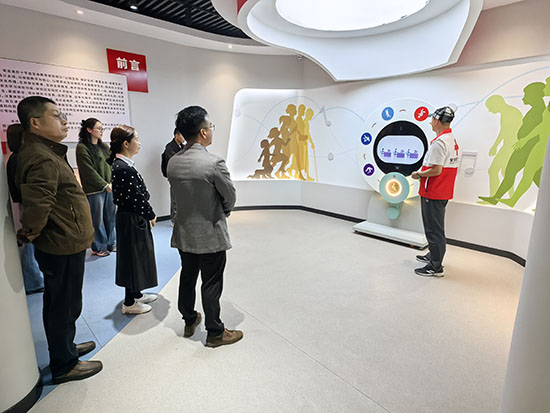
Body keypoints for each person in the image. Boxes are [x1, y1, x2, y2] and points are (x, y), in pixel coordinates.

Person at [15, 96, 102, 383]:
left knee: (66, 302)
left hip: (66, 241)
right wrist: (30, 232)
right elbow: (38, 203)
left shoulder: (45, 151)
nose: (65, 121)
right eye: (56, 115)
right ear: (35, 123)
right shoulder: (40, 156)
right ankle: (64, 365)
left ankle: (67, 348)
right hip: (61, 244)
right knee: (62, 304)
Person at [168, 106, 243, 348]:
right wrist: (224, 211)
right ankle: (215, 332)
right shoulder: (213, 163)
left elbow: (176, 198)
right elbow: (230, 196)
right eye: (210, 126)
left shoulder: (173, 162)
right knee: (211, 282)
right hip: (210, 233)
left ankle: (189, 319)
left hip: (184, 233)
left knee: (188, 276)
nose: (211, 130)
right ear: (202, 132)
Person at [109, 125, 158, 315]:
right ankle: (129, 302)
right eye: (136, 139)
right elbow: (135, 197)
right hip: (130, 218)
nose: (139, 143)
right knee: (132, 258)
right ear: (126, 143)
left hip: (131, 217)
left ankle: (136, 294)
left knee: (137, 257)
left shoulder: (124, 165)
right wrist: (151, 214)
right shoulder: (122, 168)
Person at [411, 106, 460, 277]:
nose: (430, 122)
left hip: (433, 191)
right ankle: (433, 255)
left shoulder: (439, 143)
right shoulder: (450, 139)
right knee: (435, 227)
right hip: (442, 190)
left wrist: (418, 174)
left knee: (433, 230)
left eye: (432, 119)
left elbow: (436, 170)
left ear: (437, 121)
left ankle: (435, 266)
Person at [6, 123, 45, 295]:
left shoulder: (16, 157)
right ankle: (33, 281)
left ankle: (34, 279)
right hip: (28, 204)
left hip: (26, 203)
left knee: (30, 243)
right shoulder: (19, 158)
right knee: (29, 243)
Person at [76, 118, 116, 257]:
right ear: (89, 130)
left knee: (110, 217)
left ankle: (111, 243)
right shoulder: (82, 147)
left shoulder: (104, 147)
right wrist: (104, 185)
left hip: (109, 187)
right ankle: (99, 247)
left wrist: (111, 183)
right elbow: (88, 170)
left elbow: (111, 165)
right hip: (94, 190)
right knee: (97, 220)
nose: (101, 131)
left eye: (102, 128)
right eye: (98, 128)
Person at [161, 128, 186, 223]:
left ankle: (181, 218)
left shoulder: (183, 146)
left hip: (183, 175)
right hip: (174, 176)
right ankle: (174, 220)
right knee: (175, 198)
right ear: (176, 135)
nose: (184, 138)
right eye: (182, 135)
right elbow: (174, 160)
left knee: (183, 198)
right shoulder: (169, 147)